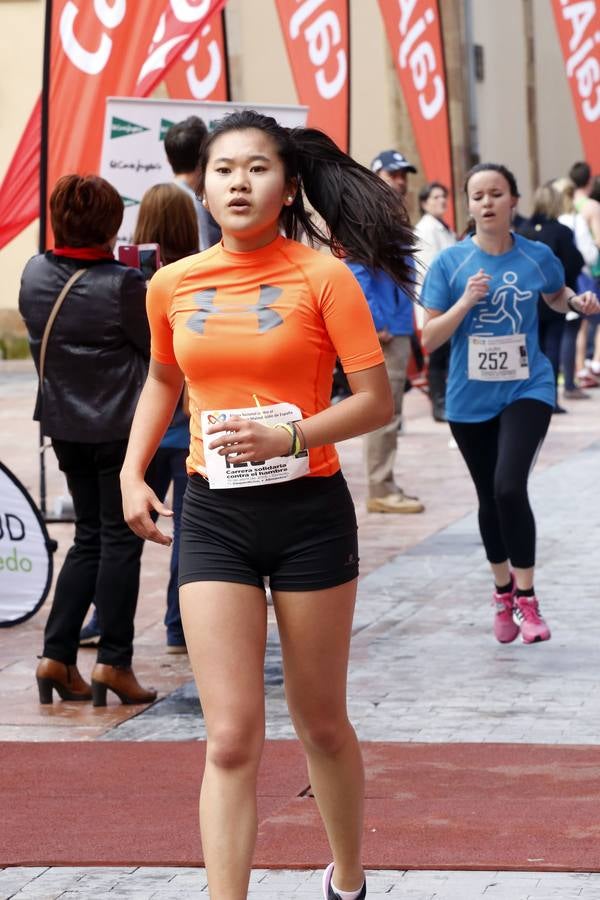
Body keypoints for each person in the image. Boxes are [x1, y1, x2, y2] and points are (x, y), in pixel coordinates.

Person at [120, 109, 416, 900]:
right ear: (203, 188)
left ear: (286, 188)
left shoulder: (323, 278)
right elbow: (162, 379)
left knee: (321, 723)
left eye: (257, 168)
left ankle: (348, 879)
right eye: (225, 170)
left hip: (309, 516)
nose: (240, 182)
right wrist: (131, 470)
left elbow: (375, 400)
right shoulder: (172, 284)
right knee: (229, 739)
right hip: (213, 515)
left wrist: (289, 439)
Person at [421, 163, 599, 646]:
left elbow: (556, 294)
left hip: (528, 387)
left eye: (496, 193)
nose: (486, 202)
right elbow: (430, 338)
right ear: (469, 204)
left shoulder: (537, 255)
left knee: (508, 485)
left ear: (513, 200)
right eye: (477, 195)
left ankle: (527, 597)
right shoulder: (450, 264)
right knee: (487, 495)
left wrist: (576, 304)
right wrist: (465, 303)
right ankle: (501, 591)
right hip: (468, 397)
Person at [19, 175, 156, 706]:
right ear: (109, 224)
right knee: (121, 539)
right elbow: (154, 349)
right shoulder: (123, 284)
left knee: (89, 539)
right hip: (118, 428)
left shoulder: (33, 272)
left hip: (63, 425)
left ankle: (57, 655)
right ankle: (114, 663)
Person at [80, 184, 200, 651]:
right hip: (187, 421)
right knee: (190, 531)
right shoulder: (199, 274)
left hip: (141, 424)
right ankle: (179, 625)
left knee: (123, 531)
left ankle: (105, 625)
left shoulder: (124, 280)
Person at [344, 257, 424, 514]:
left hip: (396, 326)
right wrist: (377, 323)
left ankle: (384, 485)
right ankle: (380, 488)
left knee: (391, 413)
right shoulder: (375, 221)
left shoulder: (388, 224)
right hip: (387, 330)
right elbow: (356, 270)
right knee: (385, 415)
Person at [516, 183, 584, 413]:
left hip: (526, 299)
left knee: (530, 349)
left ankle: (528, 395)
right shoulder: (562, 231)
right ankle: (550, 396)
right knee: (552, 347)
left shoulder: (522, 230)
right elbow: (575, 262)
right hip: (553, 296)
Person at [414, 182, 457, 421]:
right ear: (424, 203)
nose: (442, 201)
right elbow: (430, 268)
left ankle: (445, 400)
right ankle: (438, 403)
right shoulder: (425, 230)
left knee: (446, 352)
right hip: (436, 300)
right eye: (436, 197)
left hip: (450, 300)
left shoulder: (443, 228)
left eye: (444, 196)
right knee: (438, 354)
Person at [164, 115, 222, 250]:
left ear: (168, 159)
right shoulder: (195, 203)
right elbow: (204, 253)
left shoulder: (157, 198)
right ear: (205, 158)